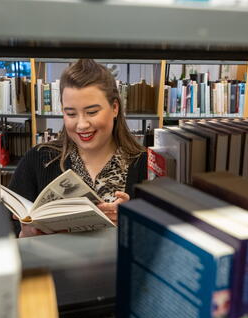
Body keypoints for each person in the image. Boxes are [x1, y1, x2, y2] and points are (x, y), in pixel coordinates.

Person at [8, 59, 147, 237]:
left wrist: (133, 224)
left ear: (114, 108)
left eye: (92, 112)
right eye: (71, 113)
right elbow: (3, 232)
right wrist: (24, 235)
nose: (81, 125)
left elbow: (162, 245)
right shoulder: (37, 159)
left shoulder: (145, 165)